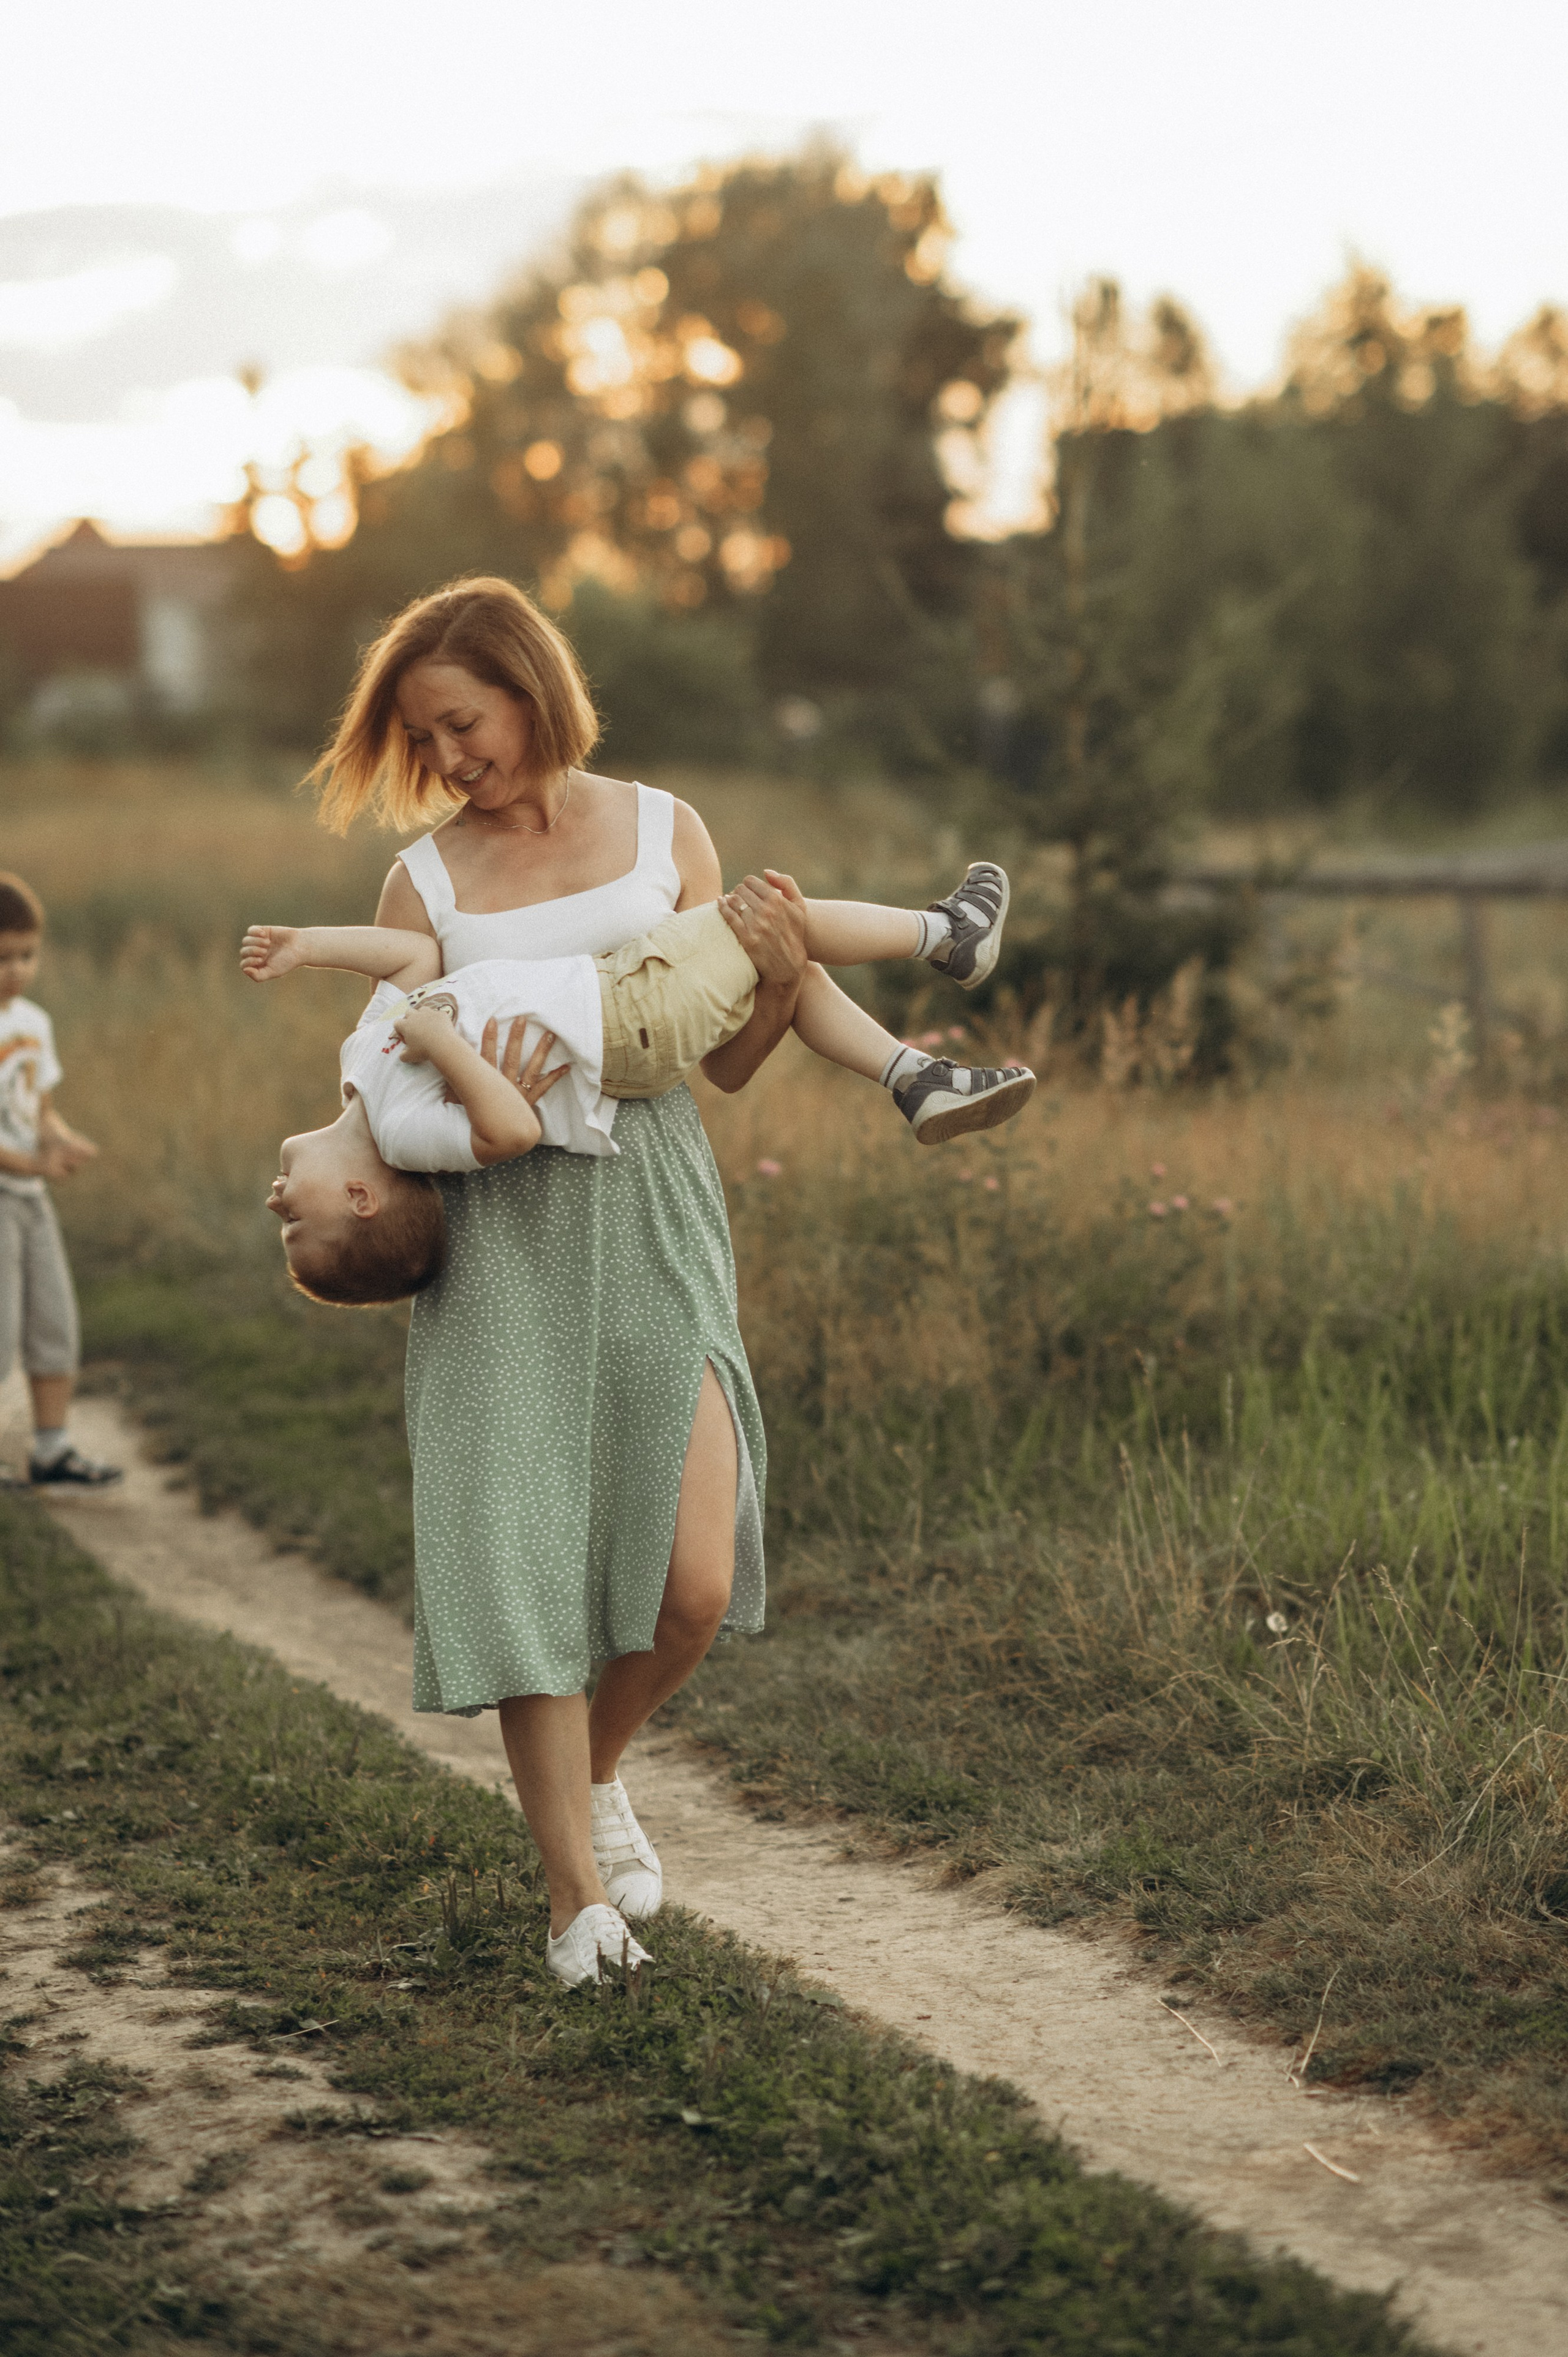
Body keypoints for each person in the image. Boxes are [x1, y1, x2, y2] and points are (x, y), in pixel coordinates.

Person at [297, 571, 995, 1989]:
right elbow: (391, 1065)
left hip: (652, 1208)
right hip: (499, 1235)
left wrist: (782, 971)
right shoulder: (422, 881)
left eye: (462, 722)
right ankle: (574, 1905)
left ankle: (597, 1768)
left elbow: (722, 1061)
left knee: (690, 1585)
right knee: (528, 1574)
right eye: (423, 738)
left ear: (529, 688)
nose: (446, 758)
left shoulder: (665, 827)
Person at [241, 874, 1035, 1304]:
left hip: (619, 999)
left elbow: (414, 959)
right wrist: (441, 1042)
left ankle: (916, 1078)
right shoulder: (402, 1134)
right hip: (622, 1020)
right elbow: (511, 1131)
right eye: (294, 1221)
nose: (276, 1203)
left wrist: (309, 945)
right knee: (762, 917)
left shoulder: (360, 1065)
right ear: (361, 1198)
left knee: (781, 957)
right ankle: (946, 936)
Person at [0, 870, 120, 1488]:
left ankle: (51, 1449)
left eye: (27, 955)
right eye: (2, 958)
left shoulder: (34, 1023)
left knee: (55, 1319)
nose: (16, 970)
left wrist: (59, 1139)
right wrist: (34, 1165)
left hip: (31, 1196)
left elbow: (39, 1108)